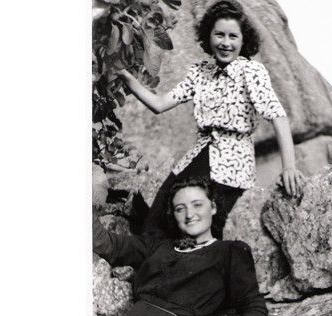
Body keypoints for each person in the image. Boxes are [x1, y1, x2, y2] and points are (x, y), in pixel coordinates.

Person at [117, 0, 303, 239]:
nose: (226, 43)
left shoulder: (251, 72)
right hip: (198, 156)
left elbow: (278, 116)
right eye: (219, 34)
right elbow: (159, 104)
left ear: (243, 40)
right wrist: (125, 76)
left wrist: (289, 167)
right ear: (209, 36)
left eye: (233, 36)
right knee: (156, 221)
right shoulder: (200, 72)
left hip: (232, 164)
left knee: (201, 231)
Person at [93, 176, 270, 316]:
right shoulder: (158, 244)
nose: (189, 214)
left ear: (213, 207)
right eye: (180, 208)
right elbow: (107, 244)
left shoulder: (230, 251)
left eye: (197, 205)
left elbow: (256, 310)